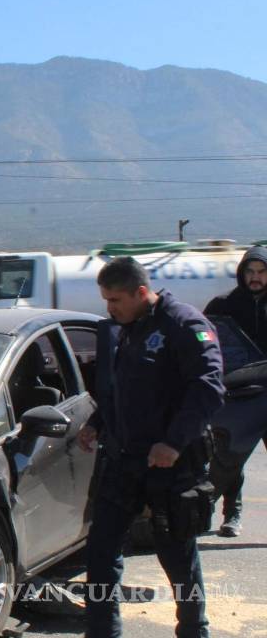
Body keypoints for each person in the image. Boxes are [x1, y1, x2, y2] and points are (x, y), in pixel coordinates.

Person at [77, 256, 225, 638]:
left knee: (177, 557)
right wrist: (96, 424)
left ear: (141, 292)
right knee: (101, 552)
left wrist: (174, 443)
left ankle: (194, 630)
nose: (109, 308)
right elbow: (124, 392)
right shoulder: (128, 327)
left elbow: (209, 388)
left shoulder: (183, 324)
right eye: (106, 300)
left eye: (115, 300)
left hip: (170, 466)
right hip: (124, 461)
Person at [203, 245, 267, 537]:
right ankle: (232, 513)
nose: (255, 278)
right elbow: (206, 345)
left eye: (262, 272)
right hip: (237, 395)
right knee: (230, 457)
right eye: (250, 271)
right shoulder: (223, 305)